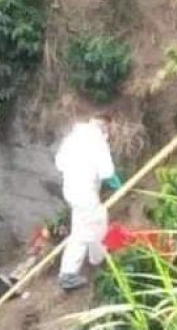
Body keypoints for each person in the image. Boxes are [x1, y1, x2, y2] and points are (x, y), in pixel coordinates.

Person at [55, 114, 121, 290]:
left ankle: (97, 259)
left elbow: (59, 163)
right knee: (85, 231)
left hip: (70, 189)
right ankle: (69, 273)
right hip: (85, 192)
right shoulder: (97, 140)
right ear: (104, 126)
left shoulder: (73, 137)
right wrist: (116, 182)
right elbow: (107, 172)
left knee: (94, 221)